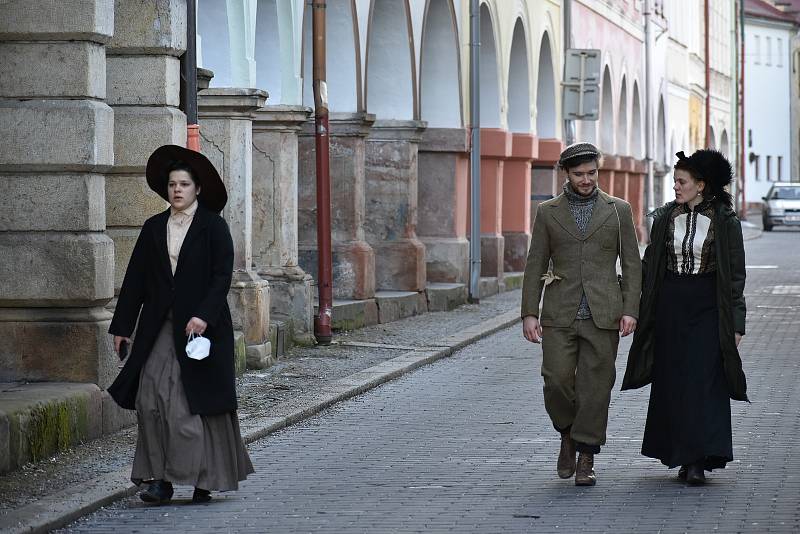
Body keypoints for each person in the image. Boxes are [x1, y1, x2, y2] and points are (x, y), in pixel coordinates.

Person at [108, 144, 254, 504]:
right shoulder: (153, 227)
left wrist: (203, 314)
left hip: (203, 327)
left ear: (197, 189)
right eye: (172, 184)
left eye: (184, 184)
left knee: (194, 400)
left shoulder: (213, 227)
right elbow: (136, 279)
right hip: (159, 324)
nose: (177, 190)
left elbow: (222, 277)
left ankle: (205, 474)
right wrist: (123, 326)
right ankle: (160, 479)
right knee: (151, 396)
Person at [622, 149, 748, 486]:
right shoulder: (665, 217)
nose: (676, 187)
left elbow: (735, 275)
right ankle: (681, 455)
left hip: (709, 307)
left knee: (703, 382)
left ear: (701, 185)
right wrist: (630, 298)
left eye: (682, 181)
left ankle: (697, 460)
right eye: (675, 181)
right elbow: (651, 264)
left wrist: (737, 322)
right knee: (675, 381)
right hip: (670, 307)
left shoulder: (725, 220)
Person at [521, 142, 642, 486]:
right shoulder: (548, 211)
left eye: (591, 173)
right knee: (556, 380)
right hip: (559, 312)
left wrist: (631, 309)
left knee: (596, 387)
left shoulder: (618, 210)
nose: (586, 180)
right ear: (567, 174)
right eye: (579, 174)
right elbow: (535, 264)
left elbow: (632, 265)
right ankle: (567, 433)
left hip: (604, 312)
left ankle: (586, 454)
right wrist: (530, 312)